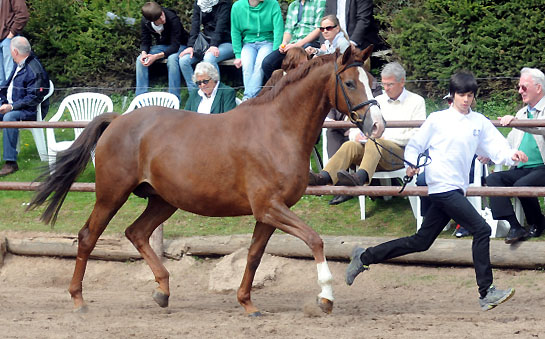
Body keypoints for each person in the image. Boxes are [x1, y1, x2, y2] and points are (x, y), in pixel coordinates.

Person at [345, 71, 526, 311]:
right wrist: (411, 165)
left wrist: (511, 155)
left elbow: (495, 146)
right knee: (481, 229)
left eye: (470, 95)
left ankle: (364, 256)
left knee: (421, 241)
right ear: (452, 95)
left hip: (455, 190)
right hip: (441, 187)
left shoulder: (478, 122)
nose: (466, 99)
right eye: (461, 94)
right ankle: (486, 292)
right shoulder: (437, 120)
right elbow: (415, 146)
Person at [308, 62, 426, 205]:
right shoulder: (377, 101)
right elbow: (357, 125)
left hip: (400, 153)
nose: (386, 89)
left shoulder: (416, 101)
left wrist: (384, 137)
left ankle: (360, 178)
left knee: (375, 142)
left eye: (390, 85)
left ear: (402, 82)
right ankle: (324, 176)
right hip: (374, 150)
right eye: (383, 85)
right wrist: (355, 135)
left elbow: (417, 136)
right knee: (350, 146)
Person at [486, 67, 545, 244]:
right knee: (493, 179)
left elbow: (540, 128)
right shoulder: (520, 113)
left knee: (521, 184)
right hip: (522, 168)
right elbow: (509, 142)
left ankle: (537, 221)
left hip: (543, 167)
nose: (520, 91)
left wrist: (517, 123)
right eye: (519, 87)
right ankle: (514, 226)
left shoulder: (523, 116)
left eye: (523, 87)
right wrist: (489, 155)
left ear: (538, 87)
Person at [0, 36, 49, 176]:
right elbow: (8, 87)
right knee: (8, 114)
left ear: (14, 52)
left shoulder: (34, 69)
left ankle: (10, 163)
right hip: (11, 104)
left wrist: (12, 107)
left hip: (28, 111)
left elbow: (35, 97)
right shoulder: (19, 64)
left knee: (9, 117)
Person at [261, 0, 326, 83]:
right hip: (293, 43)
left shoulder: (320, 2)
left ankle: (296, 90)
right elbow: (288, 30)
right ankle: (282, 89)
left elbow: (319, 29)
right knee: (267, 63)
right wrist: (284, 43)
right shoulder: (293, 5)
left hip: (310, 42)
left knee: (299, 59)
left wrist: (298, 45)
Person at [230, 0, 283, 100]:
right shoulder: (237, 7)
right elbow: (235, 31)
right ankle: (252, 99)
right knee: (247, 66)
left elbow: (278, 29)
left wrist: (275, 52)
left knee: (259, 64)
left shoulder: (273, 4)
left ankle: (248, 99)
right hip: (248, 44)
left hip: (267, 42)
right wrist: (237, 55)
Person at [136, 2, 188, 100]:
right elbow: (145, 41)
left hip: (180, 45)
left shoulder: (172, 18)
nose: (163, 19)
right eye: (159, 19)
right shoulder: (145, 22)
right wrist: (144, 53)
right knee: (140, 60)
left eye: (162, 15)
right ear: (151, 20)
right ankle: (140, 98)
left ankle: (174, 98)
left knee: (172, 59)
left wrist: (156, 56)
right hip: (162, 46)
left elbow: (175, 46)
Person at [178, 0, 234, 91]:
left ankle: (216, 94)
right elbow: (195, 25)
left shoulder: (225, 2)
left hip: (227, 42)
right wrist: (190, 46)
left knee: (209, 58)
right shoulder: (199, 3)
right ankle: (196, 95)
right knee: (184, 60)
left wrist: (214, 45)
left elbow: (221, 26)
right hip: (207, 42)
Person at [0, 0, 29, 86]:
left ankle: (13, 99)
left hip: (8, 40)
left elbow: (23, 15)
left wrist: (11, 34)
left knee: (12, 76)